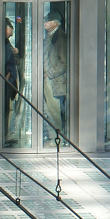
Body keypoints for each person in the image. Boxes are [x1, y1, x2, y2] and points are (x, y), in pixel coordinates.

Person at [42, 10, 68, 143]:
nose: (45, 23)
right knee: (47, 109)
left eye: (47, 21)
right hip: (48, 80)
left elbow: (64, 63)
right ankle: (54, 136)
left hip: (53, 81)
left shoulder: (60, 38)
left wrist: (49, 74)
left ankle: (58, 138)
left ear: (55, 23)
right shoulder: (50, 36)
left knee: (54, 111)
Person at [3, 18, 19, 142]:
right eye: (10, 31)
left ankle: (5, 134)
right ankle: (3, 135)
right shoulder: (3, 42)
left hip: (8, 81)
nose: (11, 34)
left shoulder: (6, 42)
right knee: (4, 109)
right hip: (5, 82)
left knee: (7, 109)